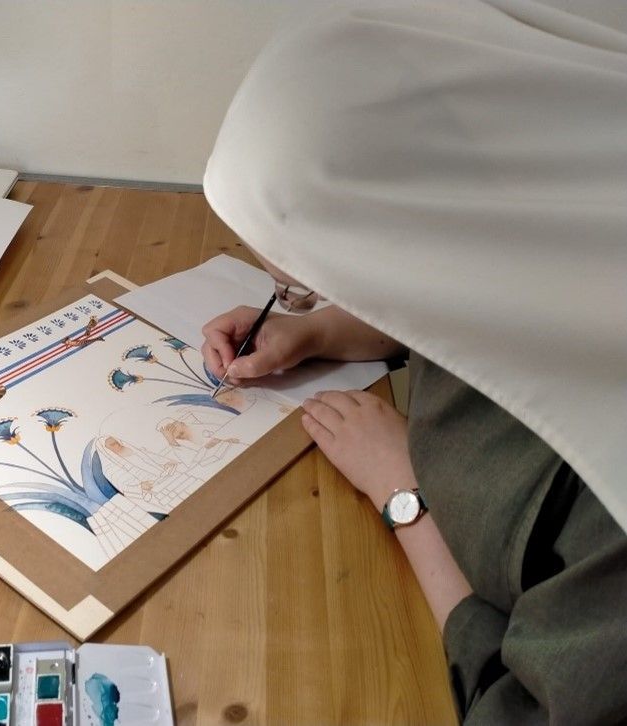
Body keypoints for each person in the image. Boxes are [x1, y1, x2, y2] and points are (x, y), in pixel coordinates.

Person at [199, 1, 627, 722]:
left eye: (312, 284)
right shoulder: (560, 195)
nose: (300, 302)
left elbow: (521, 709)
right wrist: (325, 330)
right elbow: (496, 303)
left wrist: (407, 498)